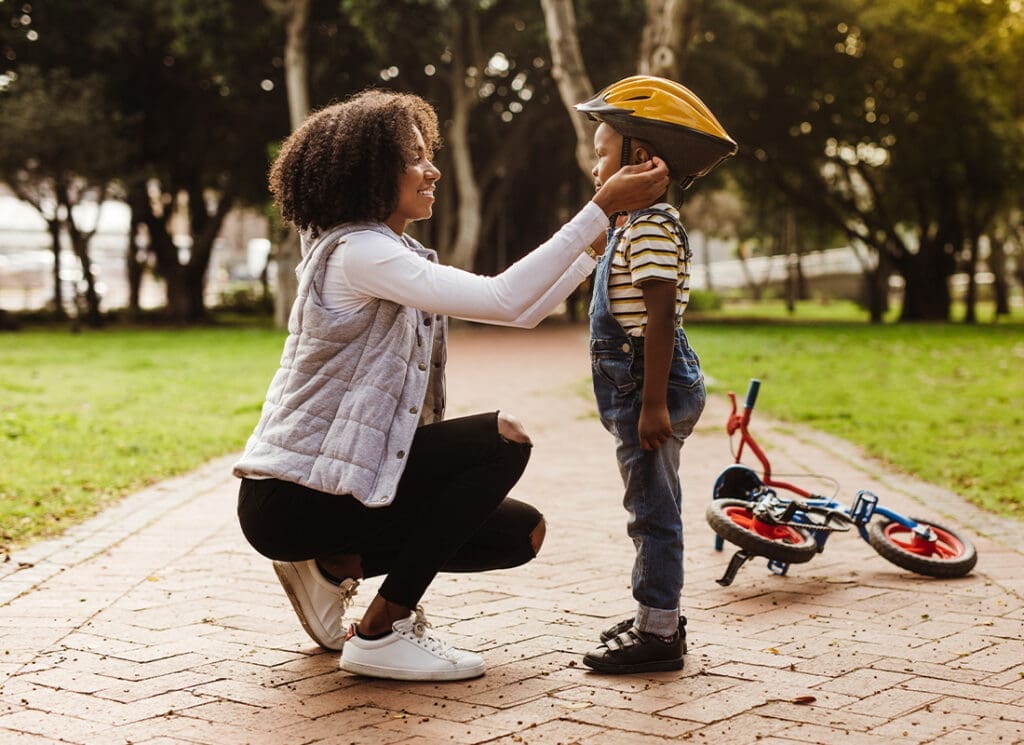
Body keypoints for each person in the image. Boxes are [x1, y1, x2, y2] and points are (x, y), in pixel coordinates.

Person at [232, 88, 669, 682]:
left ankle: (336, 566)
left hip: (335, 489)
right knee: (503, 440)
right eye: (415, 157)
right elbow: (504, 297)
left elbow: (525, 309)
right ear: (371, 171)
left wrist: (603, 230)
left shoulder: (389, 250)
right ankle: (382, 632)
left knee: (520, 533)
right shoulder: (359, 252)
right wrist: (598, 208)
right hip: (291, 497)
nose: (431, 169)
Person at [572, 76, 737, 673]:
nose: (593, 168)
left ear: (639, 157)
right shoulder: (627, 226)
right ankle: (653, 617)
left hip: (651, 385)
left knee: (652, 511)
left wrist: (652, 406)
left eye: (600, 154)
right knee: (651, 501)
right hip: (642, 384)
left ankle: (659, 632)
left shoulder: (649, 227)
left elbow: (661, 319)